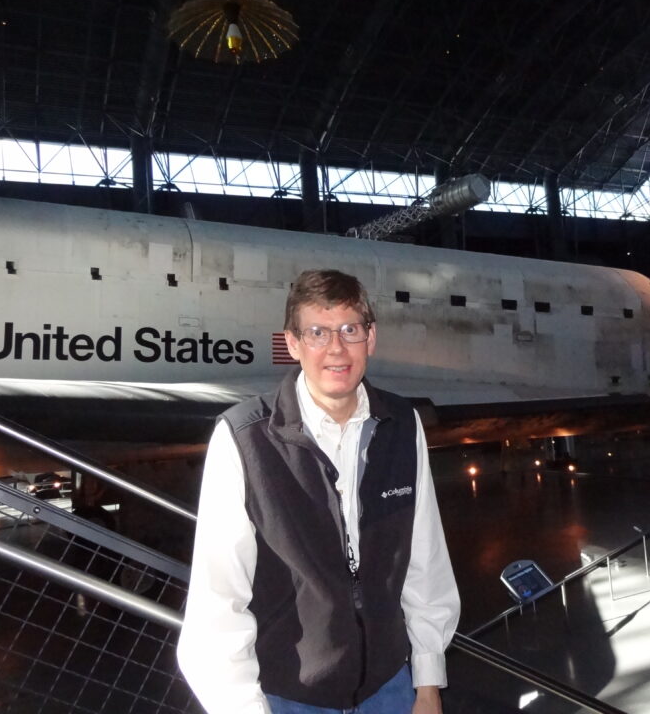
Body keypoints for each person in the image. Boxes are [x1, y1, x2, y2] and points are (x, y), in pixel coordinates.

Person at [178, 269, 460, 714]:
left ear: (371, 338)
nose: (336, 348)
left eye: (350, 329)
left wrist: (427, 681)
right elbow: (218, 599)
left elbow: (425, 559)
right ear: (292, 344)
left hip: (390, 688)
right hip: (288, 698)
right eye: (317, 332)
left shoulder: (403, 425)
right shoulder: (243, 438)